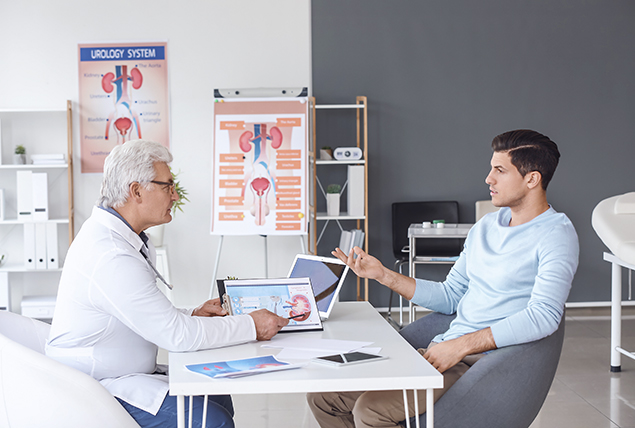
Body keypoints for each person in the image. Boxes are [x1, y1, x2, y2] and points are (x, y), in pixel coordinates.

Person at [307, 129, 579, 428]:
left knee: (370, 412)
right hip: (441, 347)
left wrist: (461, 346)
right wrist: (383, 275)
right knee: (324, 398)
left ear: (532, 179)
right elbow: (450, 295)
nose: (489, 178)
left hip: (476, 362)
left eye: (500, 170)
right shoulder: (486, 226)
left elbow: (545, 316)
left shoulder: (556, 235)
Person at [46, 140, 289, 428]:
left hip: (124, 371)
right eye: (167, 186)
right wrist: (251, 325)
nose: (174, 196)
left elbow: (146, 314)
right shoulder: (110, 254)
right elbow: (177, 337)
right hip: (97, 386)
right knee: (212, 421)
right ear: (136, 191)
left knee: (218, 396)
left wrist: (192, 314)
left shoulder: (124, 238)